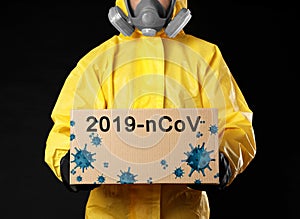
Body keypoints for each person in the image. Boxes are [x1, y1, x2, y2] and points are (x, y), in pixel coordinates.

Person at [44, 0, 257, 218]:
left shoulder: (205, 57)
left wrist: (225, 160)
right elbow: (65, 128)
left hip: (183, 212)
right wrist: (66, 162)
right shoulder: (98, 62)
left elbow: (236, 124)